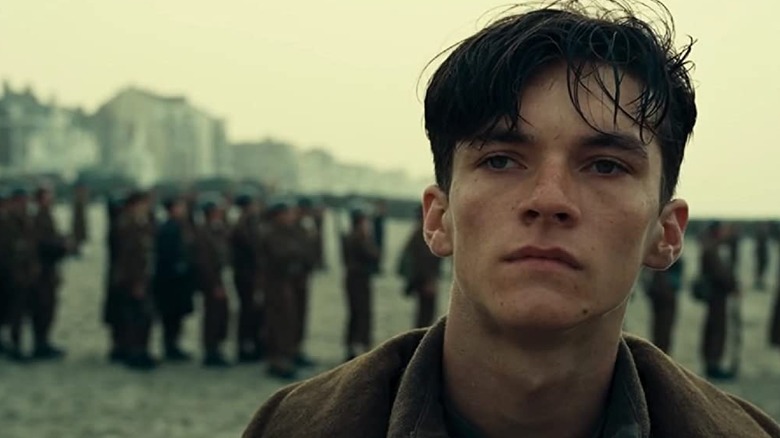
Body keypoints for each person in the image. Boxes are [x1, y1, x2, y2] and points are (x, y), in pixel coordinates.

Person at [243, 2, 780, 437]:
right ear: (438, 217)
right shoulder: (292, 428)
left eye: (606, 166)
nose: (549, 200)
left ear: (666, 233)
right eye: (500, 160)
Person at [152, 195, 196, 361]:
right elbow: (167, 255)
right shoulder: (168, 228)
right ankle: (170, 347)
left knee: (176, 316)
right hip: (170, 281)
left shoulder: (178, 226)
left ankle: (173, 345)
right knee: (170, 316)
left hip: (178, 281)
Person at [31, 185, 72, 359]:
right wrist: (61, 246)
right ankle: (40, 344)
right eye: (47, 196)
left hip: (49, 269)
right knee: (43, 308)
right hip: (43, 271)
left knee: (48, 309)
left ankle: (44, 342)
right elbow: (41, 244)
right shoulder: (39, 218)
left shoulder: (46, 216)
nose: (51, 199)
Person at [193, 198, 231, 367]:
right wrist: (214, 284)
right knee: (212, 316)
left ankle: (217, 347)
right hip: (212, 281)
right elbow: (205, 262)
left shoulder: (219, 230)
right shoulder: (204, 233)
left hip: (222, 278)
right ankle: (211, 350)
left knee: (222, 314)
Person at [341, 208, 380, 361]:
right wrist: (368, 238)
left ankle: (354, 345)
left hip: (358, 279)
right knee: (360, 313)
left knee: (358, 313)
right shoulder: (358, 238)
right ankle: (358, 345)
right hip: (357, 280)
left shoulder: (352, 236)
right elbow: (374, 255)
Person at [399, 206, 442, 328]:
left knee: (425, 316)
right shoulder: (422, 235)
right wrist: (428, 281)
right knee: (425, 316)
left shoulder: (420, 234)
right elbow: (424, 260)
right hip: (425, 282)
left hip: (425, 281)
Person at [644, 258, 683, 354]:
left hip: (659, 292)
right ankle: (661, 352)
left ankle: (659, 351)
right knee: (664, 329)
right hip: (665, 294)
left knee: (660, 328)